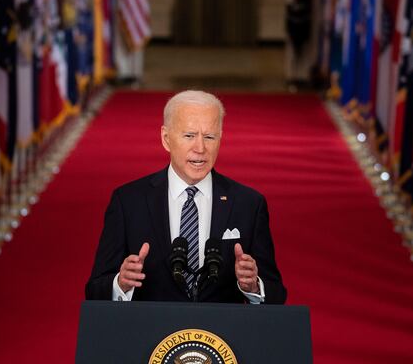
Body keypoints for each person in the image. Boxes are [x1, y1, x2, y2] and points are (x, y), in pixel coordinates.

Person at [85, 90, 287, 304]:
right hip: (151, 333)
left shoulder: (248, 204)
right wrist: (121, 283)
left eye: (209, 137)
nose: (200, 148)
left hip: (221, 335)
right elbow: (95, 290)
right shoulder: (128, 202)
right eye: (189, 136)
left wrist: (253, 286)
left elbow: (276, 294)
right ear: (166, 139)